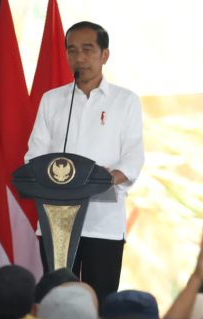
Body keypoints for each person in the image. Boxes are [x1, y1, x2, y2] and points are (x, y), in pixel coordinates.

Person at [25, 21, 144, 304]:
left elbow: (133, 155)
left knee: (100, 303)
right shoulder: (52, 100)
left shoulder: (125, 101)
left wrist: (107, 178)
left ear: (104, 55)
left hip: (103, 224)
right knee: (57, 302)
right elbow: (33, 154)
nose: (79, 58)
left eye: (88, 50)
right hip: (57, 222)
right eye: (72, 50)